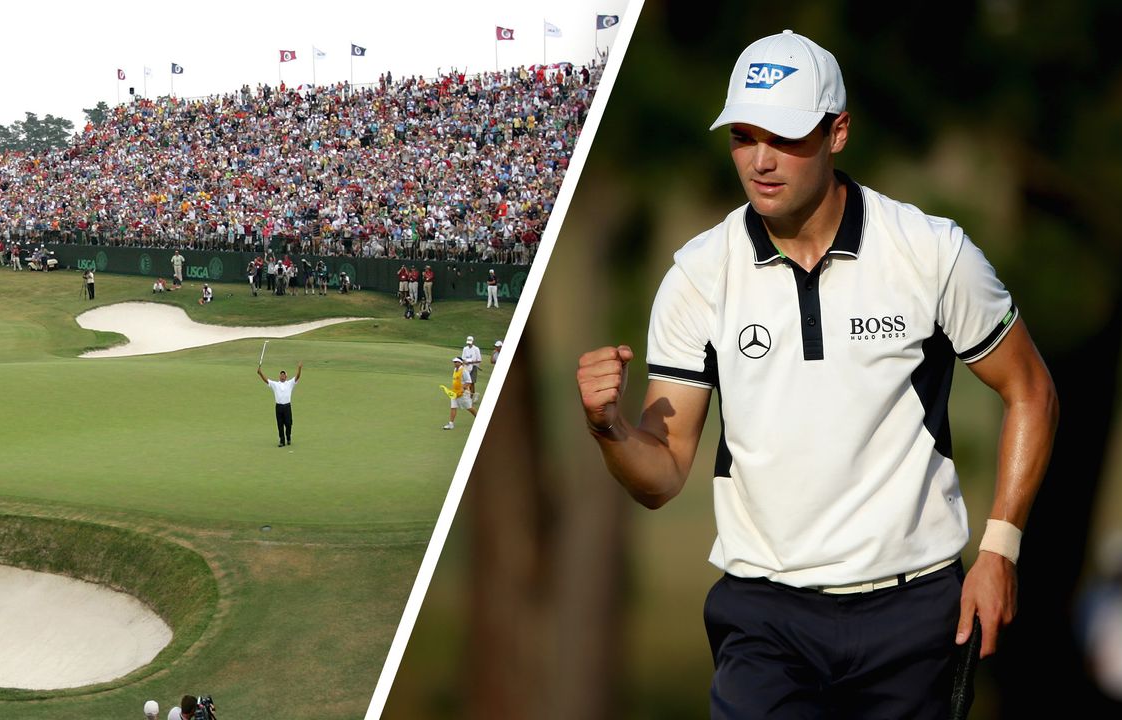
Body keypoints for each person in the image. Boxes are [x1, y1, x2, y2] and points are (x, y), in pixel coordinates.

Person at [576, 29, 1059, 719]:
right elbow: (661, 475)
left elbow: (1030, 391)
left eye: (786, 136)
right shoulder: (698, 277)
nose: (761, 160)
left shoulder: (930, 253)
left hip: (914, 612)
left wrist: (1000, 550)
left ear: (838, 132)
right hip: (766, 618)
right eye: (744, 136)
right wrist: (610, 427)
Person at [258, 361, 302, 447]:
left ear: (286, 376)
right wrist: (260, 373)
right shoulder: (275, 384)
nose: (282, 376)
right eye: (281, 374)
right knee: (280, 425)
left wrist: (299, 368)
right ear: (279, 376)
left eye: (283, 374)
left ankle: (288, 437)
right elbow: (266, 381)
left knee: (289, 424)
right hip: (278, 407)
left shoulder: (290, 383)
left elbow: (297, 377)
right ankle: (282, 441)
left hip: (287, 407)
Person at [443, 357, 477, 429]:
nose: (454, 363)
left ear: (460, 363)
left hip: (463, 393)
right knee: (453, 407)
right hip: (455, 393)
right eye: (454, 362)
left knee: (469, 408)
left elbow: (468, 382)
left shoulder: (464, 370)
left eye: (456, 362)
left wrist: (462, 389)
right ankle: (451, 424)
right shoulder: (455, 369)